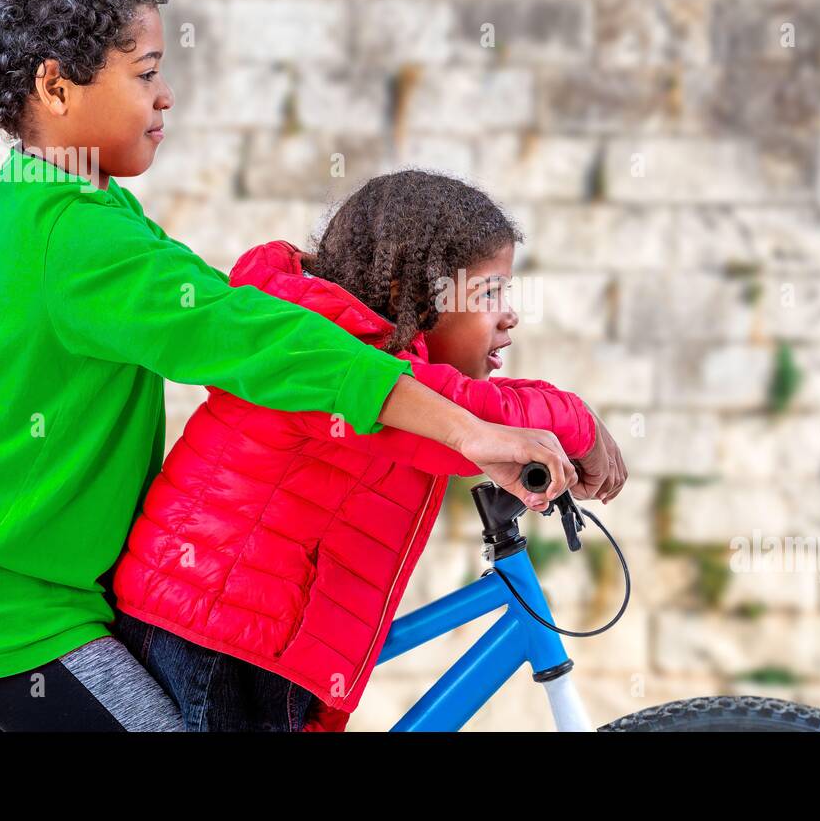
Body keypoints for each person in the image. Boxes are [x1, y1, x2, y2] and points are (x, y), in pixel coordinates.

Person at [0, 0, 581, 732]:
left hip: (33, 588)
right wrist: (469, 431)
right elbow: (253, 339)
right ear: (56, 86)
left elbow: (238, 321)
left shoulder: (72, 203)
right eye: (145, 73)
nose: (166, 95)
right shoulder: (77, 238)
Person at [112, 170, 627, 731]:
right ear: (413, 296)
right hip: (216, 636)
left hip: (241, 633)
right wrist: (578, 422)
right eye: (488, 293)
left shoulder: (391, 369)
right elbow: (474, 416)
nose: (510, 314)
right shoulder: (330, 344)